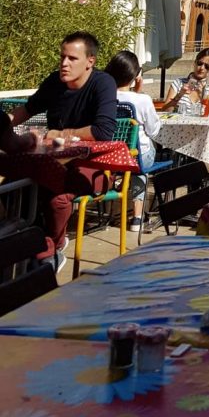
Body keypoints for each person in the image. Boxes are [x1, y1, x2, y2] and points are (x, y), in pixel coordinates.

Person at [10, 31, 117, 273]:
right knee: (14, 187)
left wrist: (61, 133)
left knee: (56, 196)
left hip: (93, 165)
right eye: (62, 57)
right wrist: (3, 124)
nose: (64, 63)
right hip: (52, 161)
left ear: (90, 61)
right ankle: (27, 244)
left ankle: (53, 250)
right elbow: (26, 110)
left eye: (72, 58)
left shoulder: (103, 83)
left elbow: (103, 131)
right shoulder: (54, 82)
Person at [104, 50, 161, 233]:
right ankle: (137, 218)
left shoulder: (103, 97)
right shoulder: (143, 100)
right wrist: (139, 91)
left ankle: (108, 210)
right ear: (136, 75)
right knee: (140, 159)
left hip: (109, 157)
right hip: (135, 158)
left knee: (134, 156)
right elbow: (154, 130)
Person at [166, 48, 209, 114]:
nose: (202, 68)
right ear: (195, 63)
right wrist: (179, 95)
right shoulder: (178, 83)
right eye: (199, 63)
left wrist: (203, 96)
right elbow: (166, 111)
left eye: (207, 66)